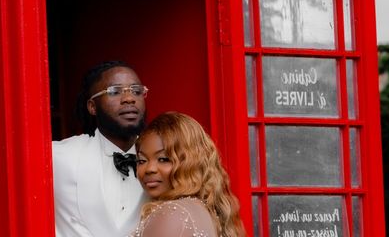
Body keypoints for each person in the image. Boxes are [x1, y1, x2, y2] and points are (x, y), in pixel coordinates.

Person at [52, 61, 149, 237]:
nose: (129, 98)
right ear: (92, 107)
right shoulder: (59, 156)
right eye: (115, 91)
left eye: (136, 90)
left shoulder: (165, 160)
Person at [132, 112, 245, 237]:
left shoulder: (171, 214)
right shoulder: (205, 211)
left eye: (163, 159)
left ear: (190, 162)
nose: (149, 169)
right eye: (142, 160)